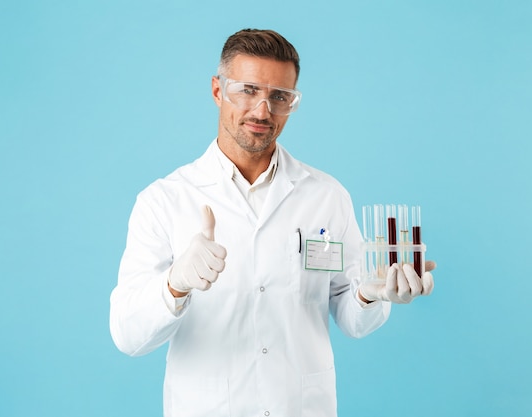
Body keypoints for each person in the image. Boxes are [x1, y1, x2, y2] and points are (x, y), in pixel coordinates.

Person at [109, 28, 435, 417]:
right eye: (247, 89)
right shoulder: (164, 201)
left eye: (279, 97)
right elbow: (128, 336)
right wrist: (175, 285)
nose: (263, 111)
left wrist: (371, 294)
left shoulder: (326, 197)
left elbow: (352, 320)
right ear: (217, 90)